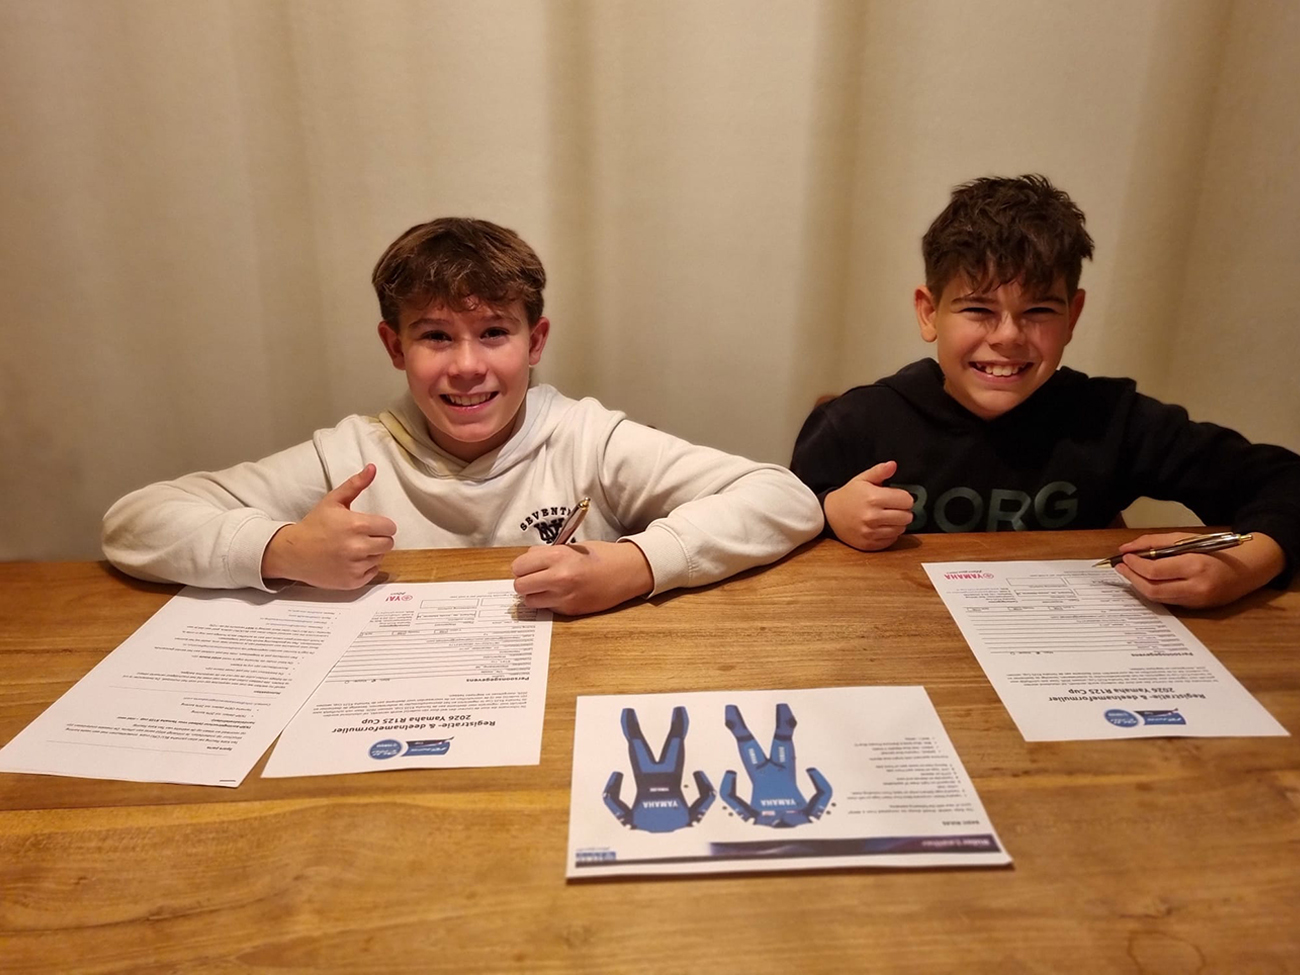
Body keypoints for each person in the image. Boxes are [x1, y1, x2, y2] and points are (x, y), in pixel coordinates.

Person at [104, 218, 823, 615]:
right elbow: (133, 523)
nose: (468, 366)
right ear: (395, 347)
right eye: (436, 336)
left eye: (494, 332)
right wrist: (283, 548)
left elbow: (783, 496)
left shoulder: (586, 438)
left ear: (535, 342)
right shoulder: (350, 456)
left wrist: (636, 564)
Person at [791, 174, 1300, 608]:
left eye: (1038, 311)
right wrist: (830, 510)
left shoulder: (1111, 421)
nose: (1008, 336)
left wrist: (1249, 564)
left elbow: (1284, 480)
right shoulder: (857, 423)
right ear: (929, 313)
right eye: (978, 309)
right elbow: (776, 519)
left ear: (1072, 316)